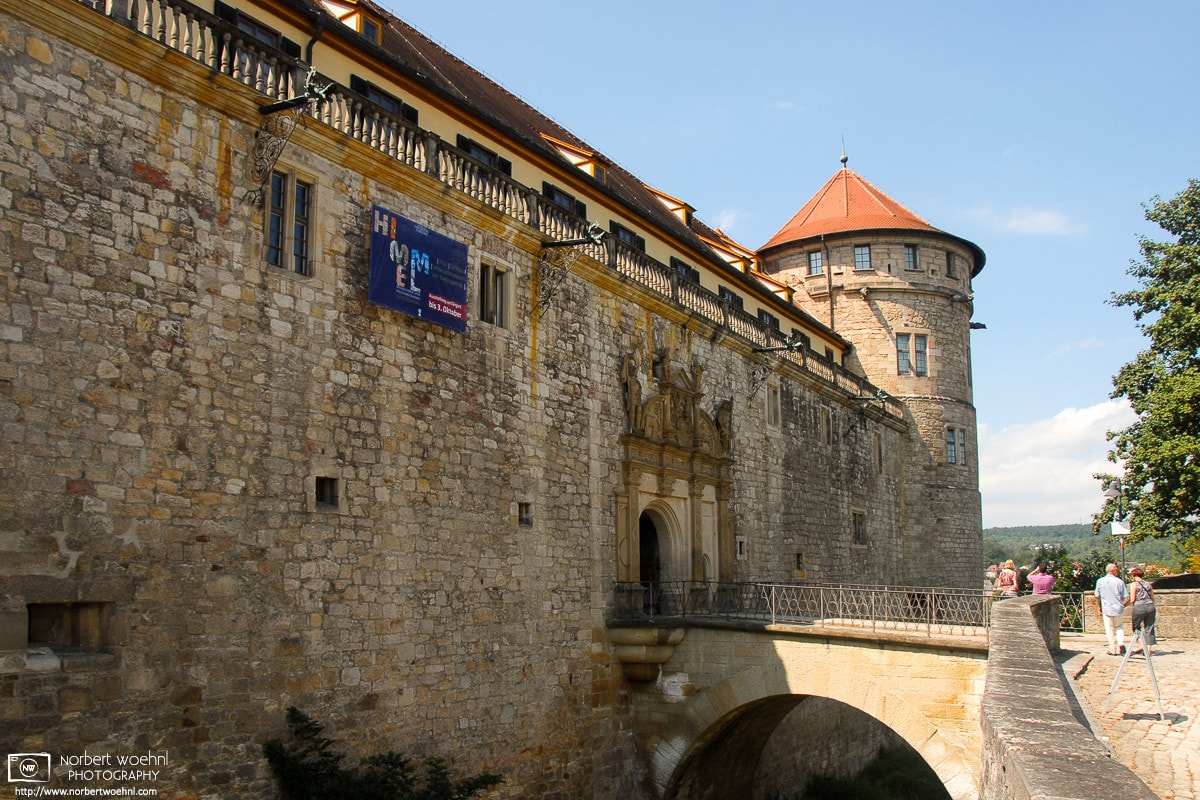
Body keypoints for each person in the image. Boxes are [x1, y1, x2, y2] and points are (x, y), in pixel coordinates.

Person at [1094, 563, 1127, 655]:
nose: (1117, 570)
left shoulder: (1100, 581)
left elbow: (1097, 596)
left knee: (1109, 629)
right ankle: (1121, 643)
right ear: (1112, 570)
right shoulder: (1119, 582)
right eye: (1116, 569)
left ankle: (1112, 648)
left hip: (1106, 607)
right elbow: (1125, 596)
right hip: (1118, 608)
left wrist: (1099, 606)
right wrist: (1122, 603)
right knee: (1119, 627)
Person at [1127, 567, 1156, 656]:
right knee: (1149, 627)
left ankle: (1141, 645)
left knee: (1136, 627)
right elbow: (1152, 598)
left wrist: (1124, 605)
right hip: (1150, 606)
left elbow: (1132, 599)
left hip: (1139, 607)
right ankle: (1149, 649)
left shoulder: (1134, 585)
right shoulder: (1149, 584)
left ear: (1134, 575)